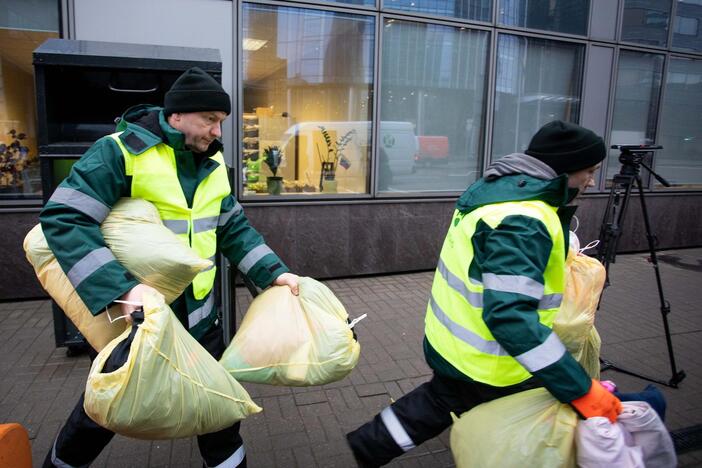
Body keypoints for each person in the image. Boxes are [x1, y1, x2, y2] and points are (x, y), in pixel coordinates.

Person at [40, 67, 299, 468]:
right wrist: (122, 291)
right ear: (176, 115)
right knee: (106, 410)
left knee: (219, 410)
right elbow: (65, 218)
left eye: (221, 122)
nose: (217, 131)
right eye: (210, 120)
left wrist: (273, 273)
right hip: (143, 320)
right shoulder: (120, 151)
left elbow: (233, 229)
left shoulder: (212, 166)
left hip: (200, 319)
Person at [346, 120, 622, 467]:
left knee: (437, 403)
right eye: (590, 171)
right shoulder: (525, 219)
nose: (593, 181)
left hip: (454, 343)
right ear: (566, 169)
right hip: (492, 361)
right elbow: (510, 318)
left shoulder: (498, 194)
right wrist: (581, 389)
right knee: (532, 421)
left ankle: (368, 445)